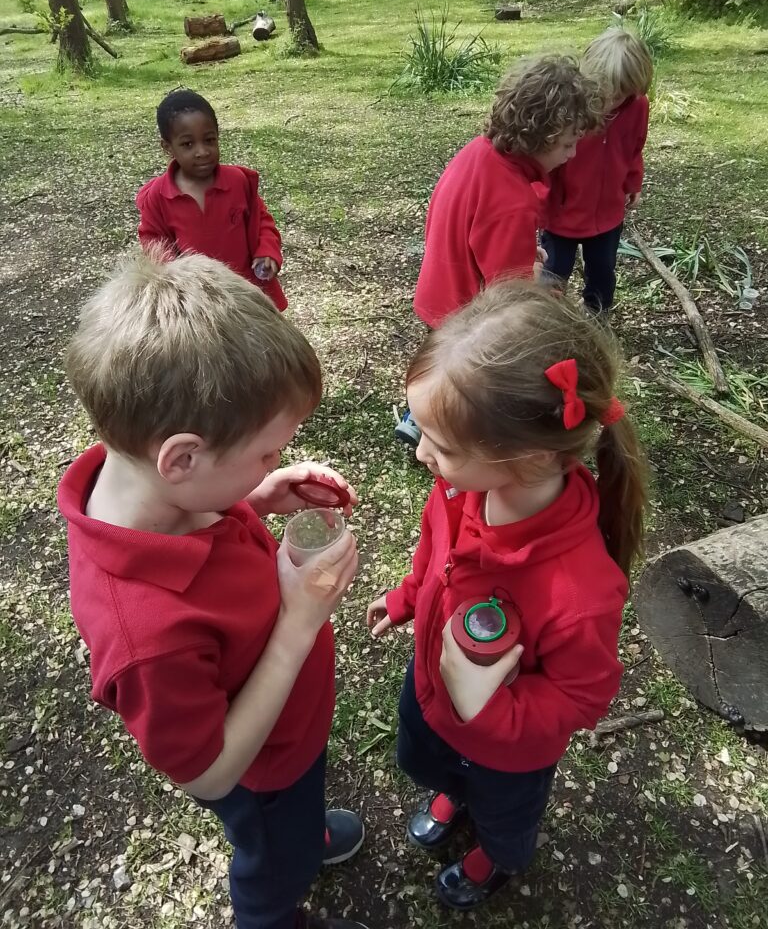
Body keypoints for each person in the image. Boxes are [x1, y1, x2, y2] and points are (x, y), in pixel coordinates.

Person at [58, 251, 367, 929]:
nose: (276, 463)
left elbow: (199, 516)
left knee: (297, 818)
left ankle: (303, 835)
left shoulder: (158, 487)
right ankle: (276, 907)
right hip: (260, 771)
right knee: (271, 864)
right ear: (184, 458)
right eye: (265, 454)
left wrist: (252, 496)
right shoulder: (145, 638)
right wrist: (296, 627)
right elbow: (209, 774)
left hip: (291, 734)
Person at [369, 280, 647, 911]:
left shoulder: (580, 588)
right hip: (432, 695)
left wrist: (488, 715)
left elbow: (583, 695)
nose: (420, 454)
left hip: (507, 752)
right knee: (429, 760)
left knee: (505, 815)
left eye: (439, 447)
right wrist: (408, 598)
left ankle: (495, 856)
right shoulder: (459, 491)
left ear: (523, 456)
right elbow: (434, 558)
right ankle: (453, 791)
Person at [394, 56, 603, 447]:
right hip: (466, 313)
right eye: (568, 144)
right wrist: (540, 285)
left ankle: (417, 417)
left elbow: (468, 227)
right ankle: (443, 432)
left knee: (438, 366)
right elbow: (508, 296)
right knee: (465, 386)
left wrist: (523, 252)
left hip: (437, 289)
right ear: (543, 135)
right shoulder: (513, 200)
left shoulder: (478, 152)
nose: (572, 155)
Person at [136, 89, 288, 311]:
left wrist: (267, 251)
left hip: (248, 293)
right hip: (197, 300)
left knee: (258, 344)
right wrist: (174, 274)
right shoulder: (158, 197)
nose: (202, 152)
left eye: (209, 140)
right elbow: (153, 241)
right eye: (188, 144)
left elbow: (262, 221)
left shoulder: (238, 182)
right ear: (167, 147)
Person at [542, 27, 653, 314]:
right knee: (553, 273)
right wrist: (539, 201)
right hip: (562, 214)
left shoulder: (638, 107)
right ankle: (546, 318)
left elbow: (635, 148)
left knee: (603, 271)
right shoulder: (569, 108)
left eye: (621, 94)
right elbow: (546, 160)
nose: (612, 101)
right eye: (606, 92)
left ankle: (597, 313)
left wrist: (633, 182)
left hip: (607, 212)